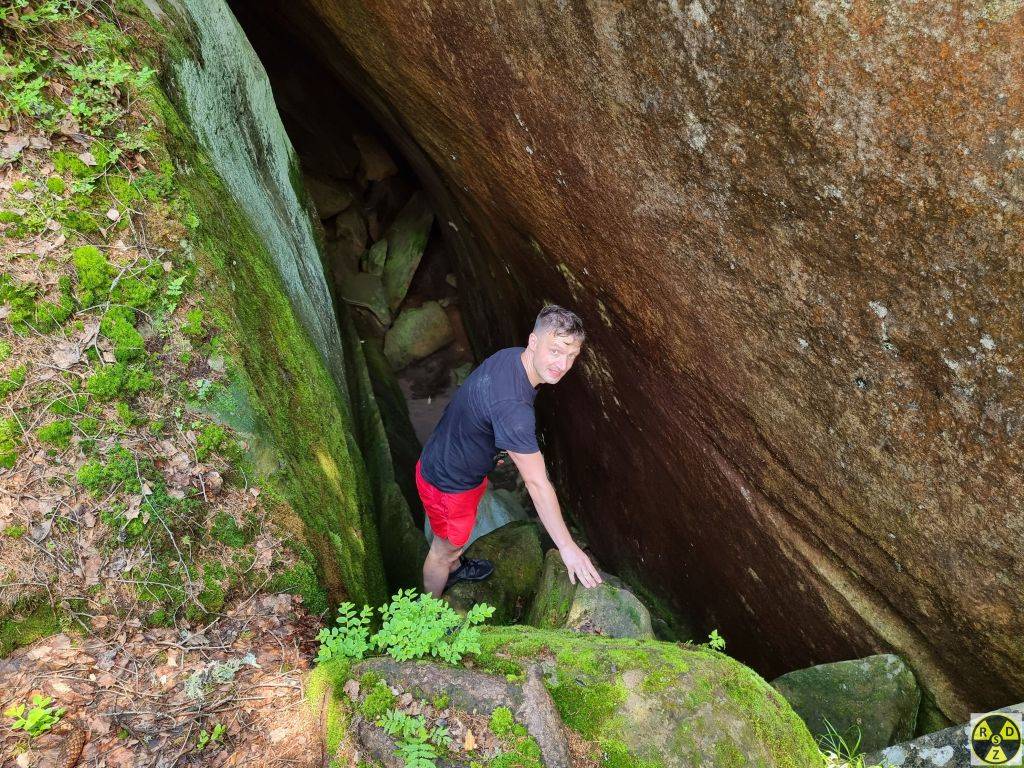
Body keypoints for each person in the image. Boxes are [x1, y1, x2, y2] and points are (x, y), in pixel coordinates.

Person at [416, 305, 603, 598]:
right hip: (449, 485)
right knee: (444, 550)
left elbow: (480, 406)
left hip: (451, 458)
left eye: (571, 356)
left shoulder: (511, 358)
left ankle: (454, 568)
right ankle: (429, 611)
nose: (563, 364)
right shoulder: (514, 411)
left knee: (455, 542)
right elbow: (537, 484)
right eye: (555, 351)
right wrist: (567, 547)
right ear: (533, 341)